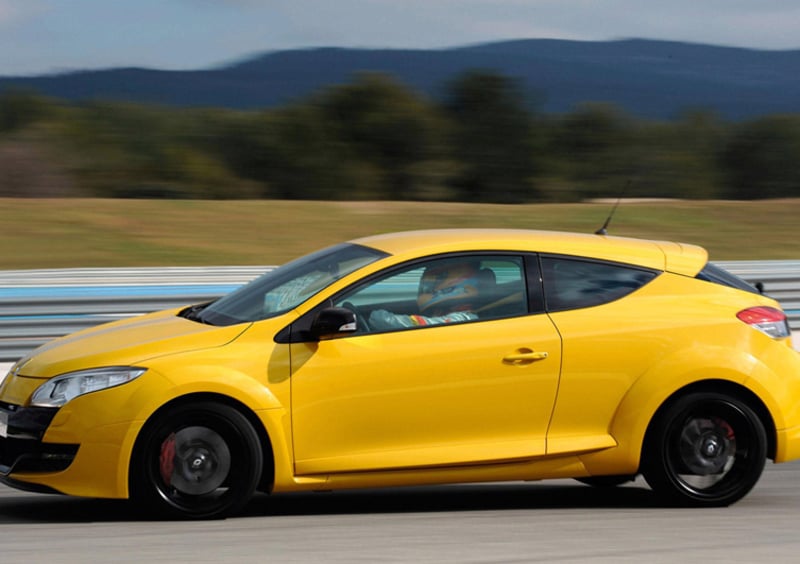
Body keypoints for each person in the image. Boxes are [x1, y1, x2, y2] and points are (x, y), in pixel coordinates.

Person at [369, 259, 484, 330]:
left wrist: (375, 316)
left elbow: (415, 324)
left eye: (436, 280)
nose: (429, 287)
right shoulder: (443, 311)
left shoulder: (463, 319)